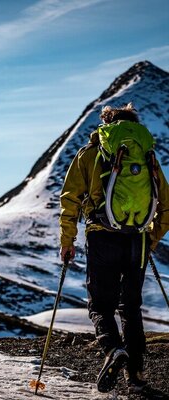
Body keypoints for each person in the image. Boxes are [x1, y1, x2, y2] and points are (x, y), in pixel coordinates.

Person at [59, 103, 169, 393]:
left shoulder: (92, 153)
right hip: (138, 239)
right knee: (131, 307)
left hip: (102, 235)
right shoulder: (147, 157)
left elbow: (70, 199)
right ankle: (135, 376)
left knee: (100, 305)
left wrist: (67, 241)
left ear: (106, 124)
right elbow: (166, 206)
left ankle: (112, 349)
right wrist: (150, 237)